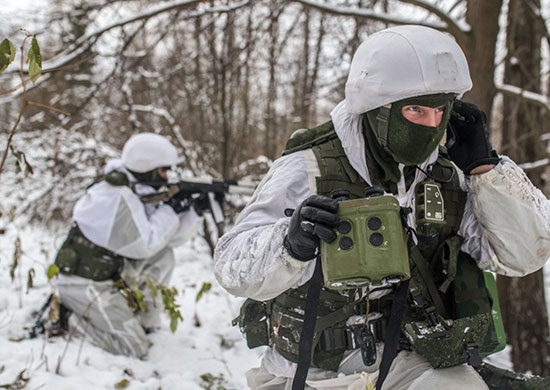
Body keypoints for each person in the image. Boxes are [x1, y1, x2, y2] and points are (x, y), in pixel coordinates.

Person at [214, 25, 550, 390]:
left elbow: (522, 255)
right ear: (377, 108)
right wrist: (288, 243)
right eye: (416, 110)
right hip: (311, 372)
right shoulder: (309, 167)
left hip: (412, 363)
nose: (431, 125)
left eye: (441, 111)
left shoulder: (448, 177)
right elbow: (231, 264)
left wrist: (486, 169)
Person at [52, 132, 200, 358]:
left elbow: (167, 240)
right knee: (133, 348)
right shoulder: (117, 198)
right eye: (163, 170)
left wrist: (194, 212)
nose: (166, 176)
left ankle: (146, 322)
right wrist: (171, 209)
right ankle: (67, 318)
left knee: (164, 256)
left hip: (103, 275)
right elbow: (146, 244)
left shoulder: (129, 188)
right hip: (83, 287)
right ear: (147, 167)